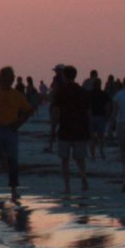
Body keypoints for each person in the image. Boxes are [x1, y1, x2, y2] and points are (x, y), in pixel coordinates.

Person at [0, 66, 33, 200]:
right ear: (1, 78)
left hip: (11, 130)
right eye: (7, 77)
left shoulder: (17, 95)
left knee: (12, 160)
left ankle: (14, 190)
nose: (10, 80)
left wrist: (19, 123)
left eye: (12, 78)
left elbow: (28, 110)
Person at [48, 65, 91, 193]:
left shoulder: (61, 92)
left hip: (65, 128)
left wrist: (53, 129)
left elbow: (56, 112)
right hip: (81, 128)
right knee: (80, 158)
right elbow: (88, 112)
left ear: (64, 76)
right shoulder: (82, 91)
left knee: (65, 160)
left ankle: (67, 186)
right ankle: (83, 177)